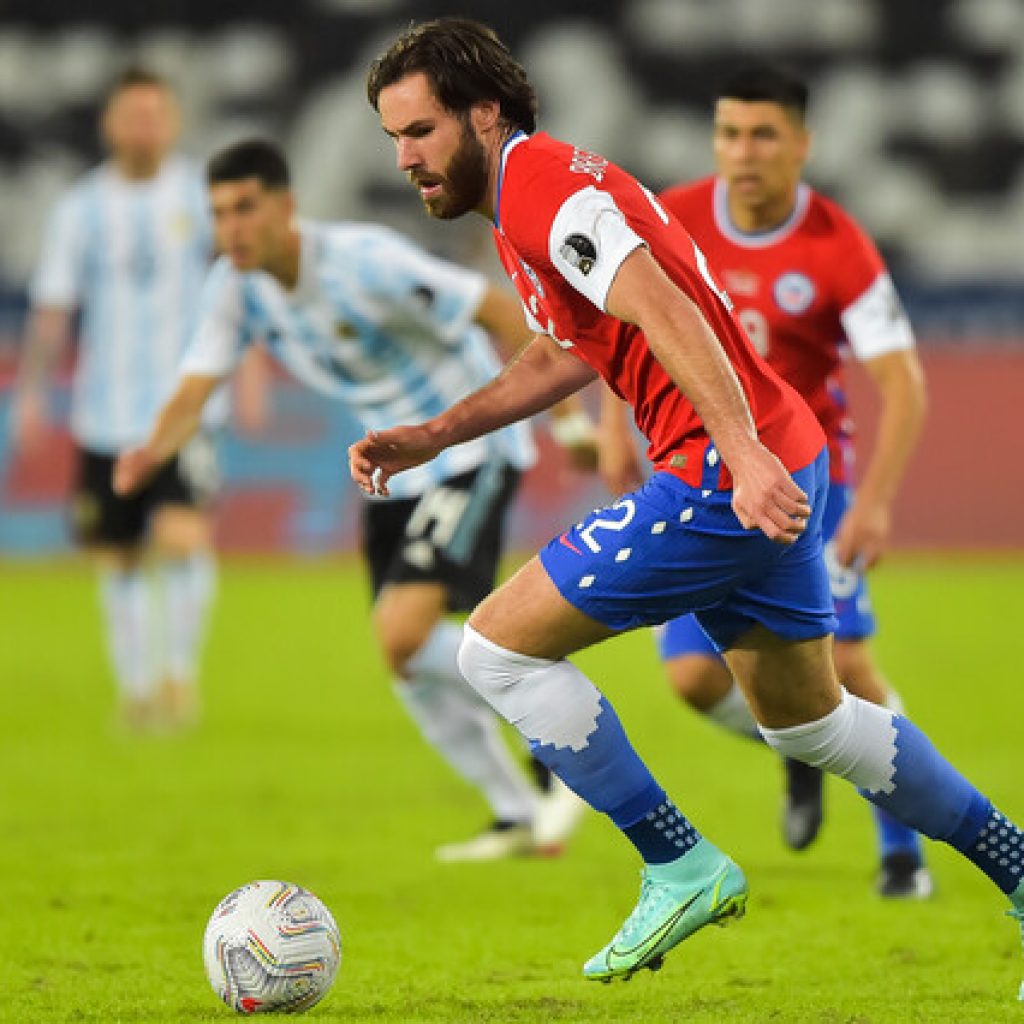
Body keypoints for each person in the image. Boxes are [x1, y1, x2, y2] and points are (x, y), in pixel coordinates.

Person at [355, 17, 1024, 992]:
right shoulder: (523, 200)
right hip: (774, 452)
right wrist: (435, 434)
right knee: (811, 725)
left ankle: (677, 861)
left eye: (418, 132)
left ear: (483, 114)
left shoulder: (541, 187)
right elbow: (570, 346)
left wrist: (739, 455)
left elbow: (655, 302)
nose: (405, 159)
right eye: (392, 140)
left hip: (723, 470)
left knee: (494, 647)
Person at [113, 138, 590, 862]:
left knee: (403, 631)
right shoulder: (234, 286)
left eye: (245, 209)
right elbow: (196, 382)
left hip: (467, 452)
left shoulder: (364, 262)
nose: (232, 228)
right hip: (393, 470)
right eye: (219, 214)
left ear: (285, 208)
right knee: (402, 656)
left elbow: (498, 310)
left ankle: (557, 724)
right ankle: (518, 813)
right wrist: (149, 452)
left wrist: (570, 420)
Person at [598, 65, 931, 897]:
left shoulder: (835, 242)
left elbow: (904, 382)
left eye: (763, 135)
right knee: (692, 679)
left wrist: (877, 504)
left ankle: (902, 851)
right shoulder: (671, 216)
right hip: (705, 479)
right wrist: (612, 431)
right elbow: (621, 325)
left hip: (813, 481)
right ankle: (804, 749)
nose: (743, 153)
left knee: (847, 661)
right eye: (729, 134)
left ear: (802, 145)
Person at [10, 67, 234, 730]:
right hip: (103, 413)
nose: (144, 127)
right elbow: (53, 308)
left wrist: (244, 371)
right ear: (110, 124)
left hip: (184, 410)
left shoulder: (201, 197)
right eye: (131, 115)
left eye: (154, 114)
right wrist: (31, 393)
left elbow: (237, 282)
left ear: (173, 122)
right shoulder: (81, 209)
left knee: (184, 538)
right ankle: (135, 691)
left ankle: (179, 681)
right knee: (118, 555)